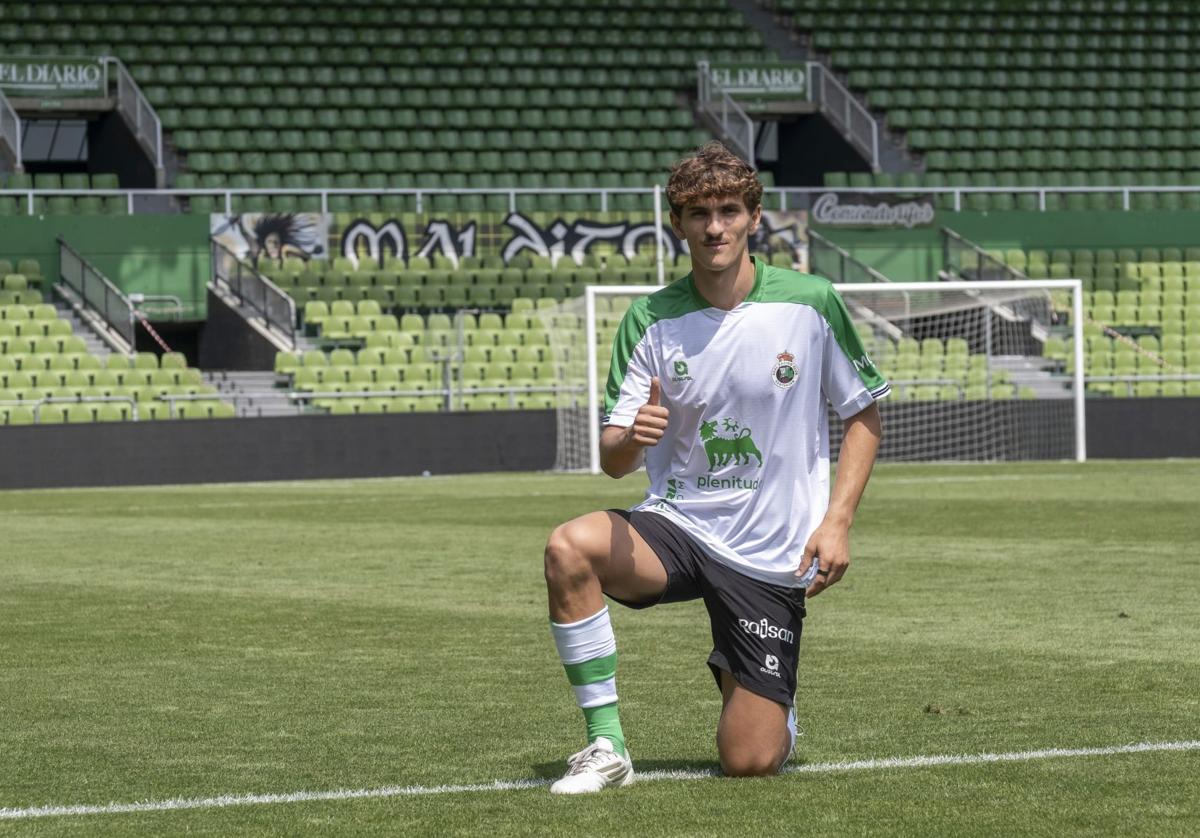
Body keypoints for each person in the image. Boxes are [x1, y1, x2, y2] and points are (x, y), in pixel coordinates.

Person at [543, 142, 888, 794]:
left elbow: (863, 415)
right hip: (678, 525)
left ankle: (768, 701)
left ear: (754, 217)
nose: (714, 227)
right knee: (569, 548)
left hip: (769, 552)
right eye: (698, 213)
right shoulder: (650, 320)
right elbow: (616, 461)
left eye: (729, 210)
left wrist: (837, 522)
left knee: (748, 760)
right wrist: (633, 439)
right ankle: (606, 745)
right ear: (678, 223)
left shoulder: (812, 303)